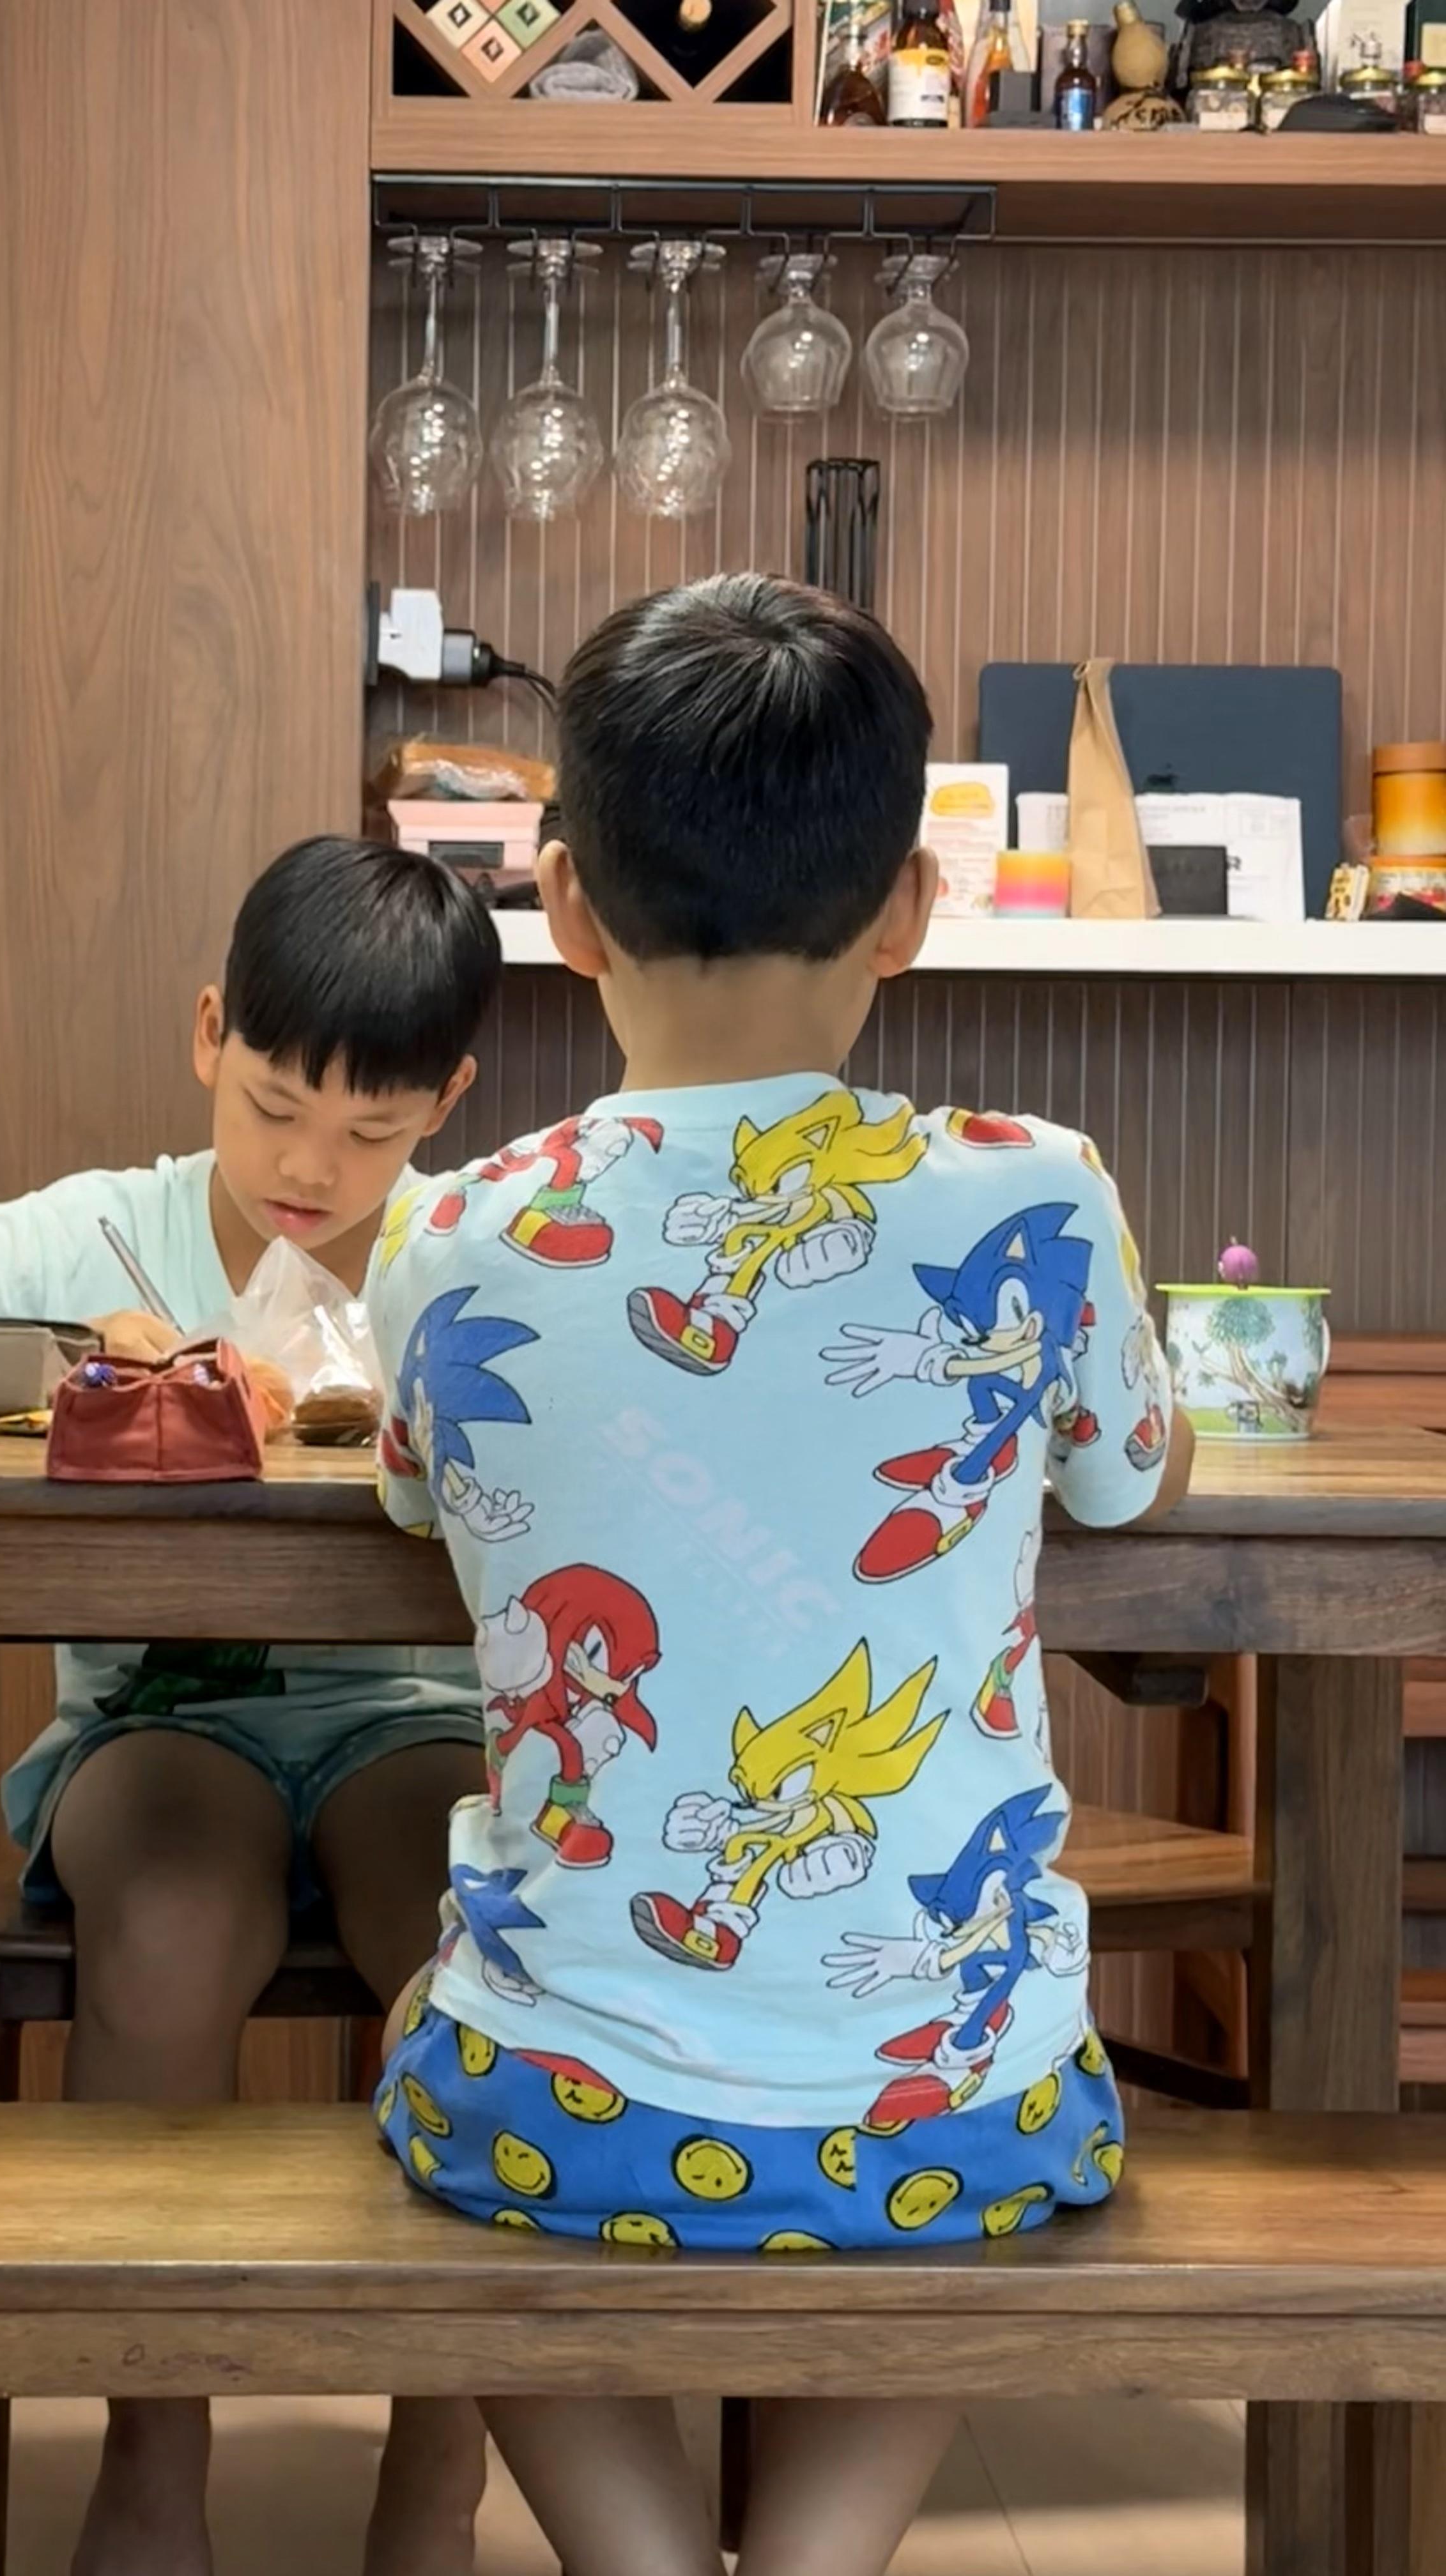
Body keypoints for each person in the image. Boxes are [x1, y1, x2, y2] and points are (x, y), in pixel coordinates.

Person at [367, 577, 1195, 2576]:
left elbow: (409, 1502)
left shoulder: (454, 1233)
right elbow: (1135, 1478)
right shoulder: (1039, 1191)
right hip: (966, 2113)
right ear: (908, 906)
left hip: (564, 2107)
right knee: (1000, 2066)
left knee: (434, 2047)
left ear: (565, 906)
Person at [0, 835, 504, 2576]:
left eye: (375, 1131)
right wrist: (67, 1357)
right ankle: (152, 2450)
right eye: (272, 1107)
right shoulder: (98, 1229)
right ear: (208, 1036)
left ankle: (441, 2464)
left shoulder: (480, 1256)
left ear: (449, 1103)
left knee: (483, 1949)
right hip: (160, 1718)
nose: (312, 1167)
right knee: (172, 1928)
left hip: (414, 1713)